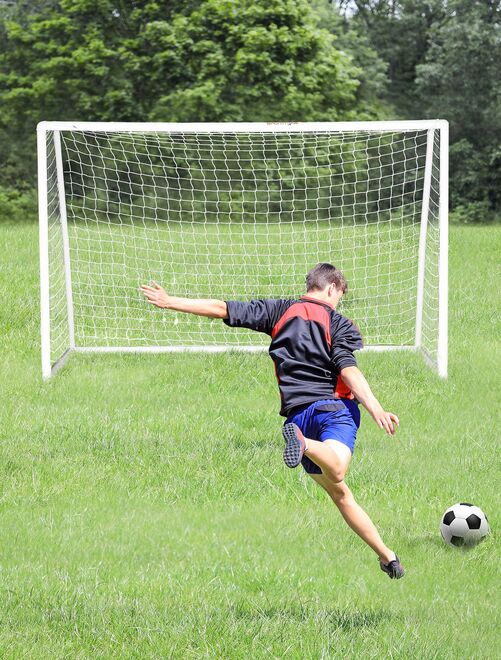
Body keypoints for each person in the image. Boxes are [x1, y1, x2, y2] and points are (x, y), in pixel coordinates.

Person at [140, 263, 404, 579]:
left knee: (341, 493)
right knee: (338, 467)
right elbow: (347, 367)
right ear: (332, 288)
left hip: (298, 416)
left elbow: (222, 308)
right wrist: (376, 408)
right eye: (339, 296)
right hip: (333, 411)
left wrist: (171, 301)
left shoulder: (278, 310)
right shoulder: (339, 323)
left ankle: (386, 555)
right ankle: (305, 445)